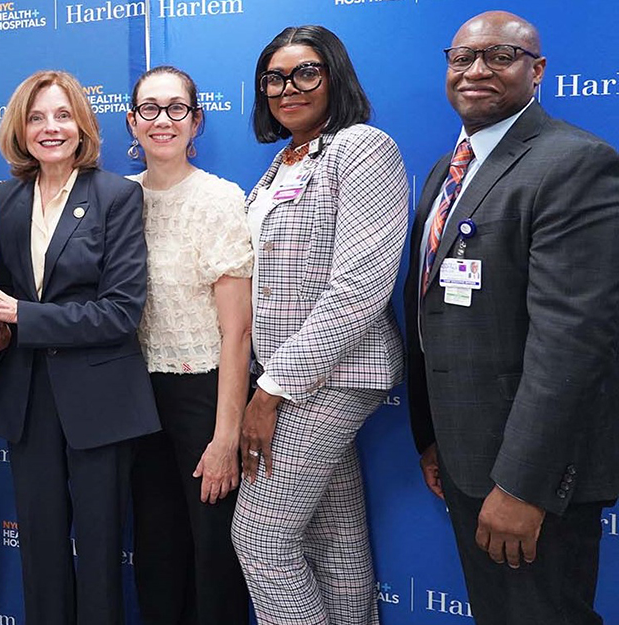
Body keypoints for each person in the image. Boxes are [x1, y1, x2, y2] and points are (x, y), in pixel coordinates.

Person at [405, 12, 619, 625]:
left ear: (537, 70)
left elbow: (571, 343)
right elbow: (433, 313)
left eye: (499, 57)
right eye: (462, 58)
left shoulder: (574, 163)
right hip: (464, 454)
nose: (476, 71)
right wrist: (433, 436)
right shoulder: (446, 173)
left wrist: (524, 484)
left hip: (529, 477)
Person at [0, 69, 159, 625]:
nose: (50, 127)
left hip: (100, 399)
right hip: (27, 396)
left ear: (82, 124)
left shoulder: (117, 195)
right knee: (39, 548)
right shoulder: (6, 196)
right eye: (37, 116)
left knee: (98, 550)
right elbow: (8, 297)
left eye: (63, 115)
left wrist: (18, 313)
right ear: (20, 128)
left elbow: (120, 312)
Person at [229, 26, 407, 625]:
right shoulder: (282, 162)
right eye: (274, 78)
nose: (288, 88)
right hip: (287, 376)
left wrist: (272, 387)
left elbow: (360, 287)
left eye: (306, 72)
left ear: (334, 76)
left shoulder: (361, 147)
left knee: (259, 538)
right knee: (334, 542)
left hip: (326, 377)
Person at [124, 65, 253, 625]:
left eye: (177, 108)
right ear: (132, 122)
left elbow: (238, 332)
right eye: (149, 108)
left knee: (212, 551)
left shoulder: (220, 200)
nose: (163, 120)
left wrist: (227, 436)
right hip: (133, 397)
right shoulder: (116, 200)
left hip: (203, 394)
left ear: (195, 121)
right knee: (155, 548)